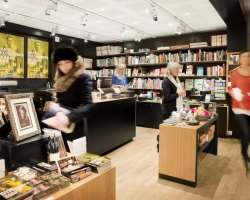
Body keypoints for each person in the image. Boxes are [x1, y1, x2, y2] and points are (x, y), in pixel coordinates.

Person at [45, 46, 93, 149]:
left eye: (67, 62)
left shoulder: (83, 78)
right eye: (60, 64)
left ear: (73, 62)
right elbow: (62, 102)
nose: (64, 67)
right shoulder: (60, 80)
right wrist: (56, 109)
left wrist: (69, 117)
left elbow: (88, 104)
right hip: (59, 127)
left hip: (75, 127)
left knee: (78, 160)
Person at [229, 51, 250, 172]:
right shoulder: (234, 73)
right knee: (246, 133)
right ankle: (244, 153)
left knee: (247, 134)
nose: (247, 59)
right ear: (240, 59)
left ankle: (243, 149)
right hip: (238, 107)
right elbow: (231, 88)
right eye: (244, 56)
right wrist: (235, 94)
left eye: (248, 56)